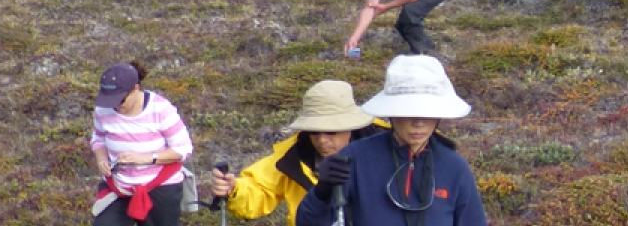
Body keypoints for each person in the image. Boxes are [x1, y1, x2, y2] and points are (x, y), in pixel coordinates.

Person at [295, 56, 486, 226]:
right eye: (409, 111)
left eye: (428, 113)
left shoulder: (454, 167)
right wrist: (322, 192)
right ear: (391, 113)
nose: (419, 122)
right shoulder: (354, 158)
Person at [209, 81, 390, 226]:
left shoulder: (388, 147)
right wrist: (234, 190)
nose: (321, 140)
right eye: (314, 132)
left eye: (331, 131)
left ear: (350, 125)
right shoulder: (293, 156)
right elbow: (260, 188)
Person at [90, 61, 193, 226]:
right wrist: (102, 160)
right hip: (119, 186)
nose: (116, 105)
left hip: (161, 187)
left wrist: (145, 158)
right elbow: (98, 139)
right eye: (110, 100)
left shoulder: (161, 109)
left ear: (135, 89)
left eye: (121, 100)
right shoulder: (103, 110)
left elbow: (184, 149)